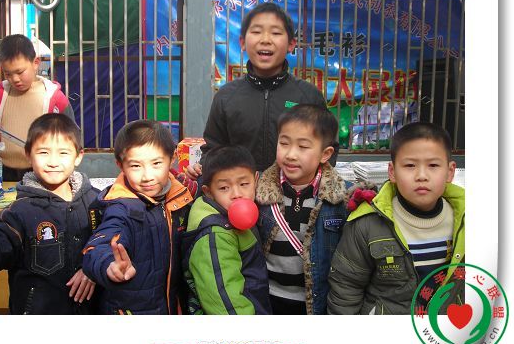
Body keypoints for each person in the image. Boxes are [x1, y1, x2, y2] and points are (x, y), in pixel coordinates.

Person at [327, 122, 465, 315]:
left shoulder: (465, 220)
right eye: (410, 166)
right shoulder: (367, 222)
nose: (422, 176)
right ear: (392, 172)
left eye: (433, 165)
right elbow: (346, 286)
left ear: (450, 172)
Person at [186, 2, 328, 181]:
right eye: (256, 31)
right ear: (242, 42)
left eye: (276, 33)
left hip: (294, 193)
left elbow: (327, 147)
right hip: (240, 192)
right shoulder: (226, 97)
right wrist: (201, 168)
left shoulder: (309, 96)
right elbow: (214, 150)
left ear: (291, 44)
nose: (265, 39)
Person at [0, 113, 101, 314]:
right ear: (28, 154)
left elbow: (114, 241)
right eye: (43, 152)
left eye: (63, 153)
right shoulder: (19, 212)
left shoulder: (97, 202)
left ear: (78, 157)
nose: (53, 162)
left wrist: (94, 267)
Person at [82, 120, 193, 315]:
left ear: (172, 159)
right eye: (135, 166)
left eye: (156, 163)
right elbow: (100, 244)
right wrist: (109, 265)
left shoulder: (182, 196)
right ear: (120, 165)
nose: (147, 176)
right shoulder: (121, 209)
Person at [256, 104, 347, 315]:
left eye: (303, 147)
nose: (290, 154)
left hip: (316, 305)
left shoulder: (341, 200)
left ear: (325, 154)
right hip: (267, 301)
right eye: (284, 143)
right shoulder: (257, 190)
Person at [181, 146, 272, 315]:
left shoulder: (235, 215)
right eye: (224, 188)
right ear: (208, 192)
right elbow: (223, 300)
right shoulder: (215, 236)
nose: (236, 194)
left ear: (256, 180)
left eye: (244, 184)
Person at [0, 34, 75, 181]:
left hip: (40, 174)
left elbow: (72, 136)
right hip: (2, 174)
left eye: (20, 72)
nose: (15, 79)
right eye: (8, 74)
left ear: (36, 63)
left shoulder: (55, 99)